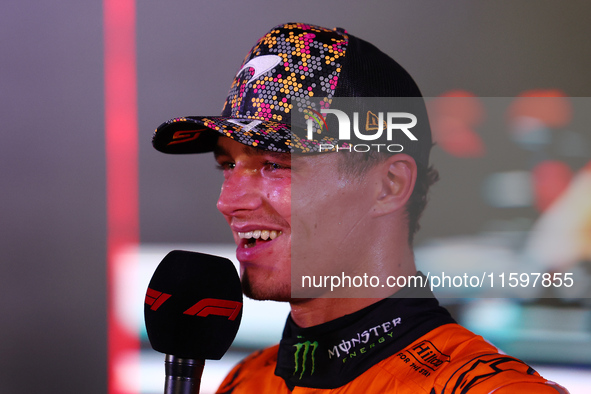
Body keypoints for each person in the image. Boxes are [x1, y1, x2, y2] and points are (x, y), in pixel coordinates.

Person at [153, 23, 569, 393]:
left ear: (389, 186)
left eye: (275, 164)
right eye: (228, 165)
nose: (228, 201)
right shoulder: (243, 382)